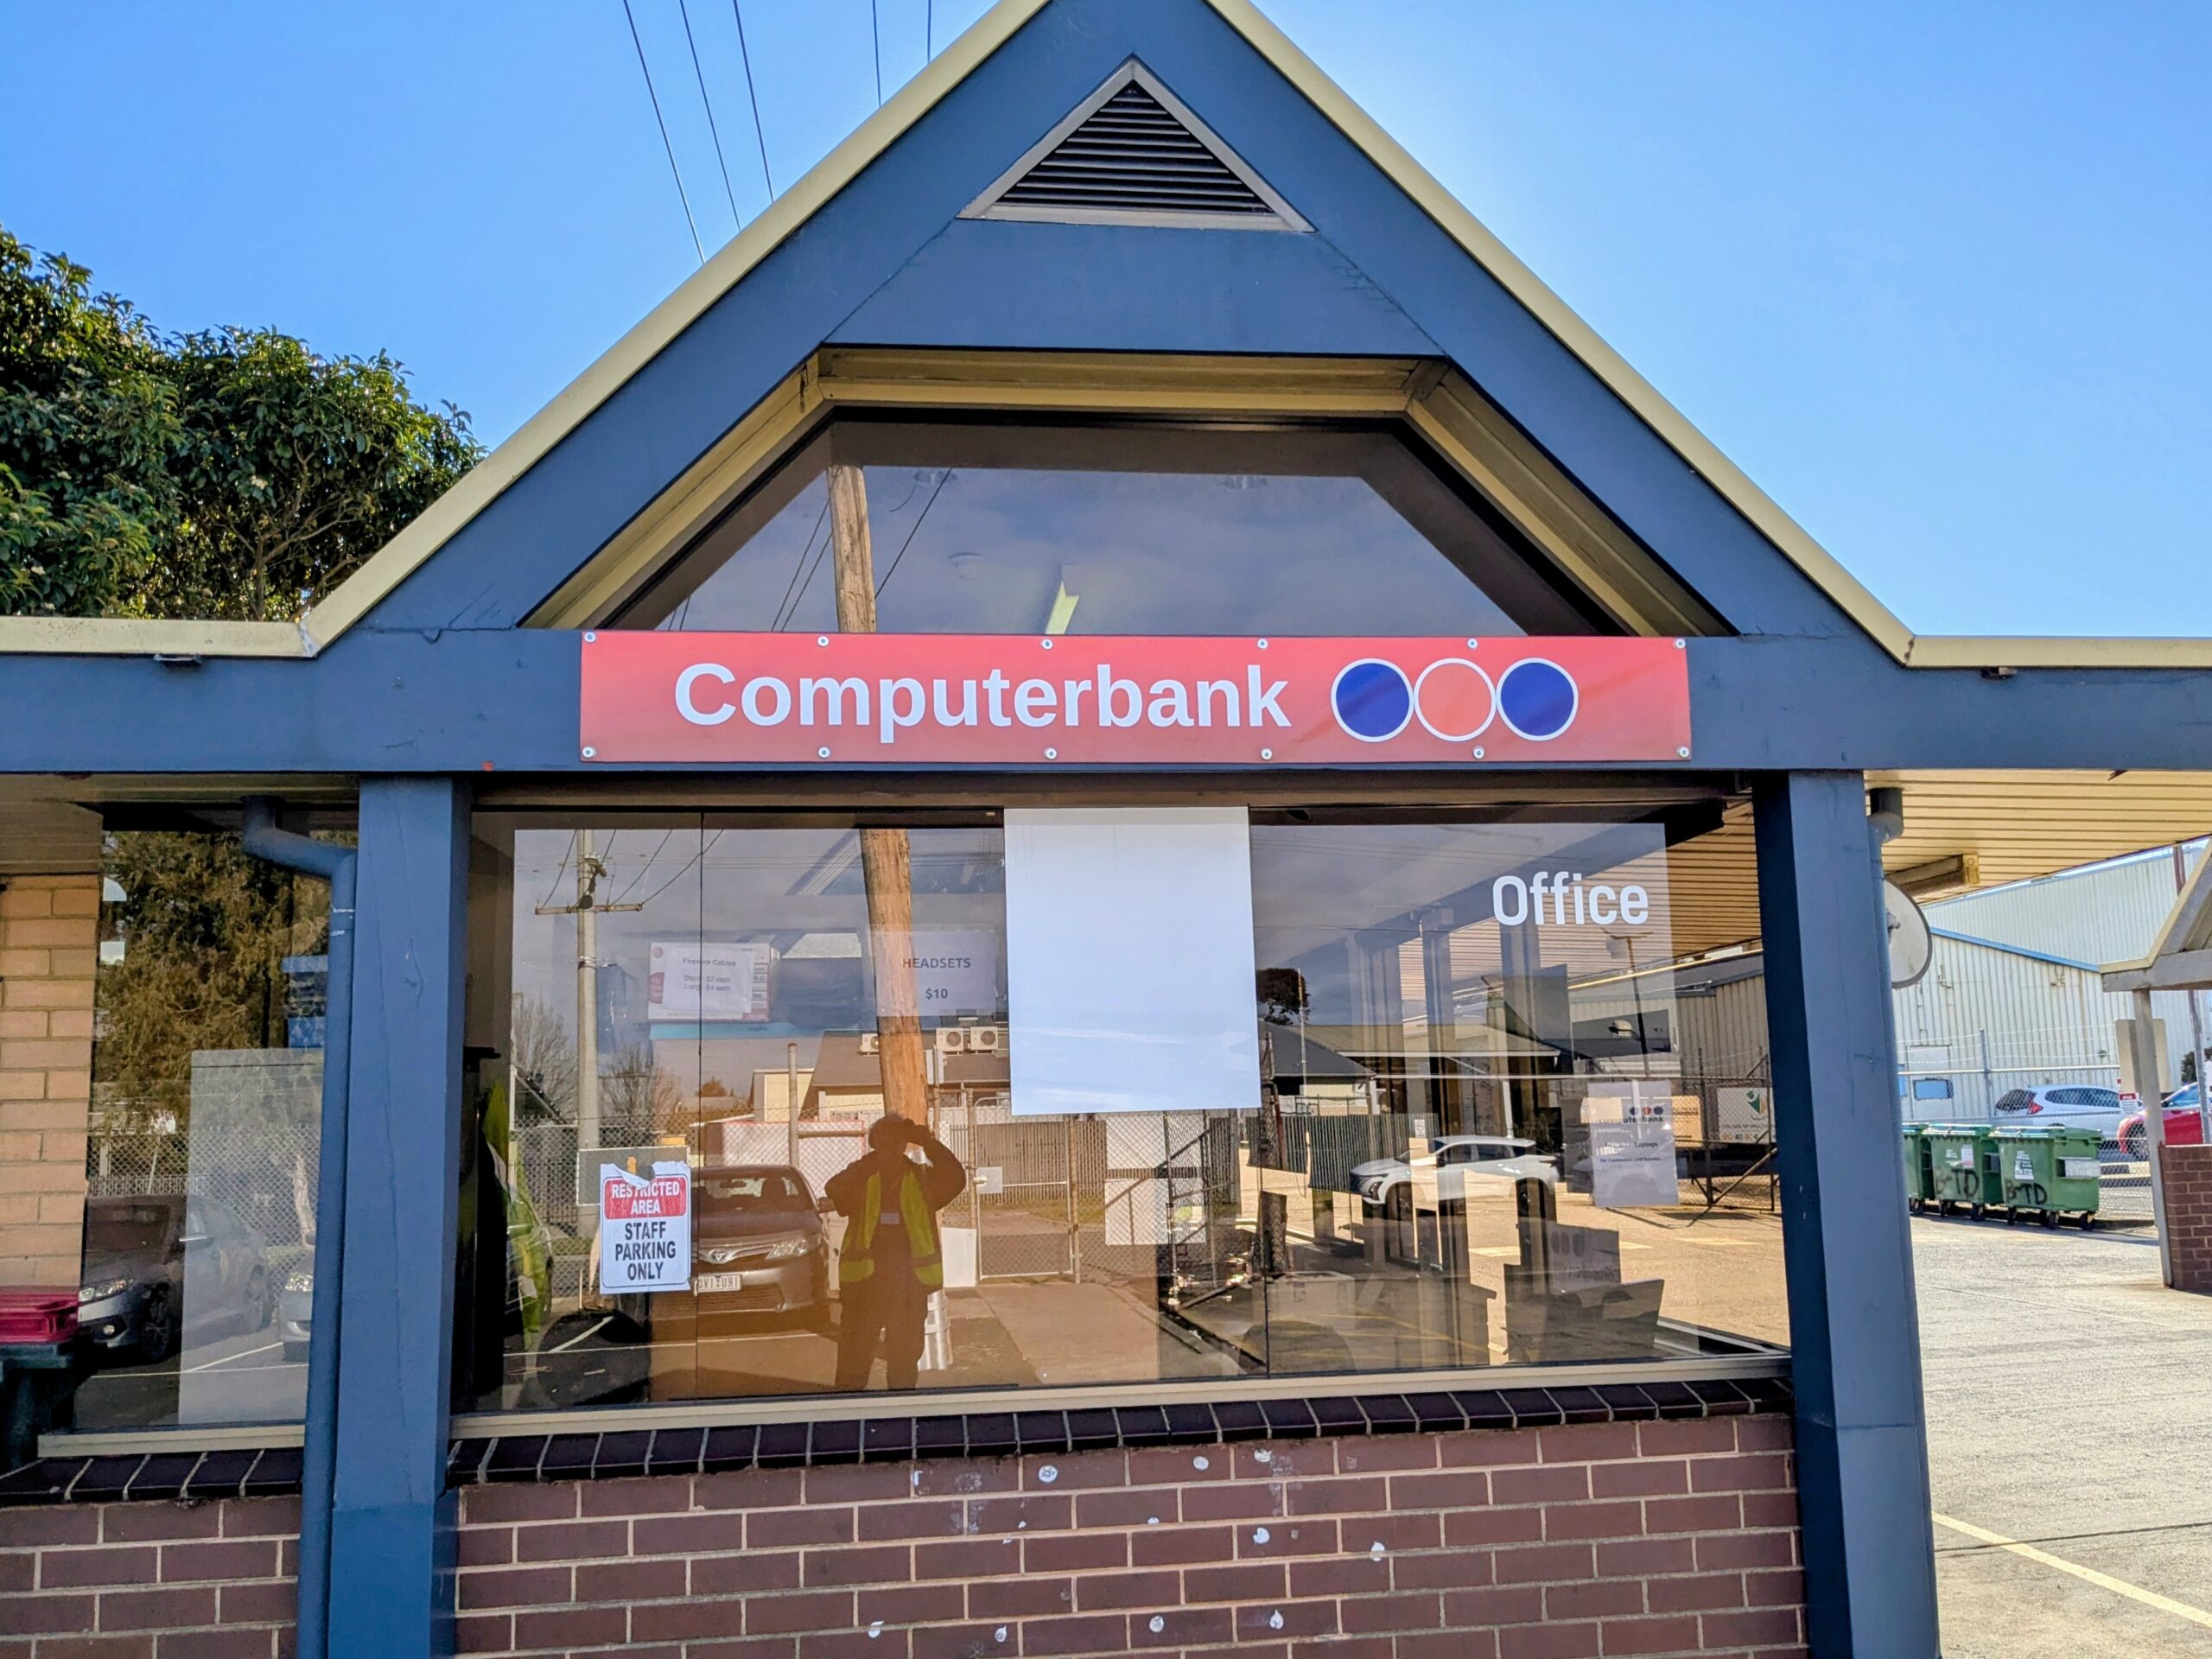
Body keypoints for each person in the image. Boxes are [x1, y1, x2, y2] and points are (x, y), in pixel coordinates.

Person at [824, 1114, 965, 1389]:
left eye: (894, 1140)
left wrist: (927, 1142)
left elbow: (955, 1177)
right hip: (867, 1286)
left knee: (901, 1364)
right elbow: (835, 1188)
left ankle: (897, 1417)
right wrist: (874, 1160)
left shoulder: (920, 1179)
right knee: (854, 1365)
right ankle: (848, 1419)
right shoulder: (865, 1177)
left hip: (907, 1286)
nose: (891, 1147)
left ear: (903, 1144)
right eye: (885, 1141)